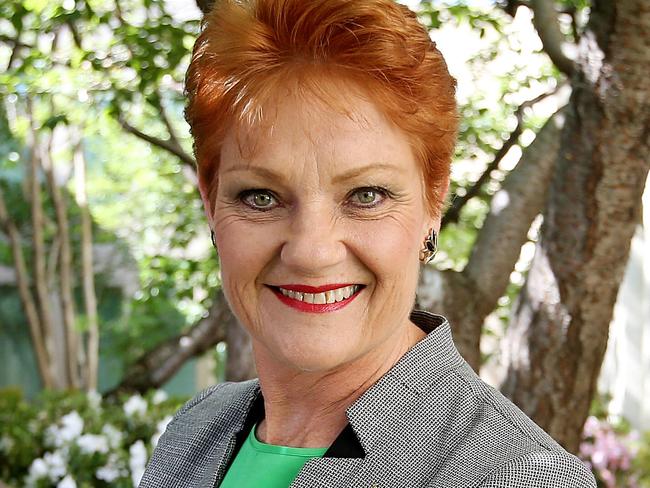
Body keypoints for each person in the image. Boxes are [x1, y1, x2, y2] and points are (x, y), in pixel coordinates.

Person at [140, 0, 597, 486]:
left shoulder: (518, 475)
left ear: (432, 201)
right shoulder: (193, 433)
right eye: (261, 196)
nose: (311, 252)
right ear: (211, 203)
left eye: (366, 195)